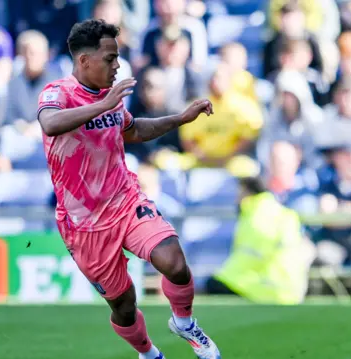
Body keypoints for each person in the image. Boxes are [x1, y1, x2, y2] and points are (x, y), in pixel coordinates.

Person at [36, 19, 220, 359]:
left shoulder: (111, 97)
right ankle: (149, 354)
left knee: (174, 262)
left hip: (125, 200)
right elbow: (50, 123)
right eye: (110, 58)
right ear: (84, 61)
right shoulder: (57, 93)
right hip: (84, 223)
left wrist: (179, 119)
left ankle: (184, 322)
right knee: (123, 304)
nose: (117, 64)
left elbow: (133, 130)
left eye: (117, 57)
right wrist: (104, 106)